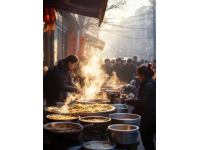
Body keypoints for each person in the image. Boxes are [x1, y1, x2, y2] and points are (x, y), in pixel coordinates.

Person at [126, 63, 156, 150]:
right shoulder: (149, 82)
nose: (138, 77)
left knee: (147, 140)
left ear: (142, 75)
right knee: (148, 140)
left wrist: (129, 101)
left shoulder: (148, 84)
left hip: (148, 117)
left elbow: (142, 101)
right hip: (149, 115)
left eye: (138, 75)